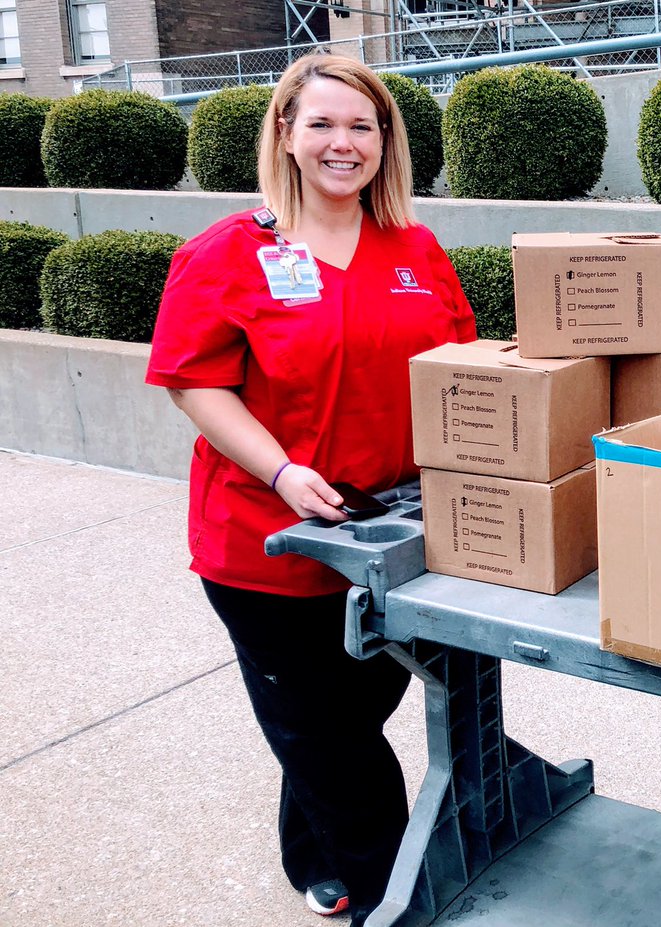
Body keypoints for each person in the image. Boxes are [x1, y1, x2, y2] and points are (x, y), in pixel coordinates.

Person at [146, 53, 476, 925]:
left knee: (348, 718)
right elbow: (194, 381)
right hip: (268, 542)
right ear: (285, 135)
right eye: (322, 124)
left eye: (362, 126)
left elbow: (457, 370)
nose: (343, 142)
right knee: (335, 747)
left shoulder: (416, 248)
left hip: (389, 535)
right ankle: (392, 900)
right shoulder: (227, 253)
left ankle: (309, 854)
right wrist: (283, 470)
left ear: (386, 143)